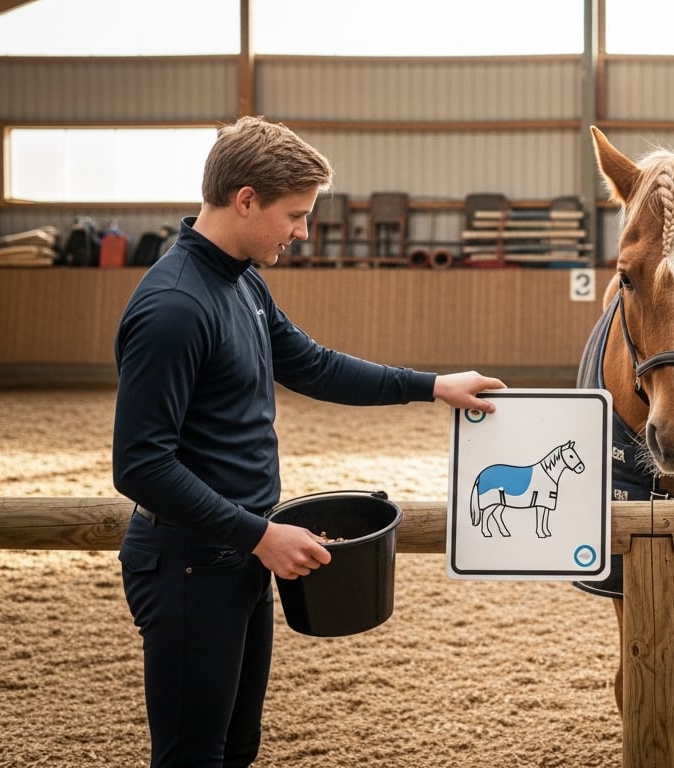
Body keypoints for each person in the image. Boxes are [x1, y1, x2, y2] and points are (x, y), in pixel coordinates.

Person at [112, 115, 505, 767]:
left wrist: (432, 386)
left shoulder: (241, 280)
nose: (302, 231)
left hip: (235, 552)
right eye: (295, 215)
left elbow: (313, 365)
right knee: (191, 757)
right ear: (245, 200)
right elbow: (140, 465)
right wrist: (261, 536)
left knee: (237, 748)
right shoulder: (175, 307)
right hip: (188, 563)